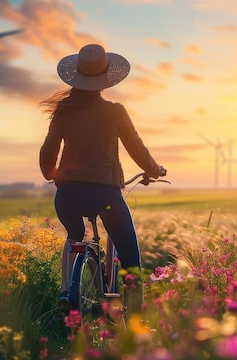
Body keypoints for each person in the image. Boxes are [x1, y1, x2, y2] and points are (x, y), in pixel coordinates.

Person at [38, 43, 166, 317]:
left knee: (74, 238)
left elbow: (47, 153)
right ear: (104, 80)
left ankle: (66, 291)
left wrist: (53, 174)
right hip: (104, 196)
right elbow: (137, 150)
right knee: (131, 259)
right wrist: (155, 170)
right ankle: (134, 323)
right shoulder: (115, 111)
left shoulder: (64, 111)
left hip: (67, 196)